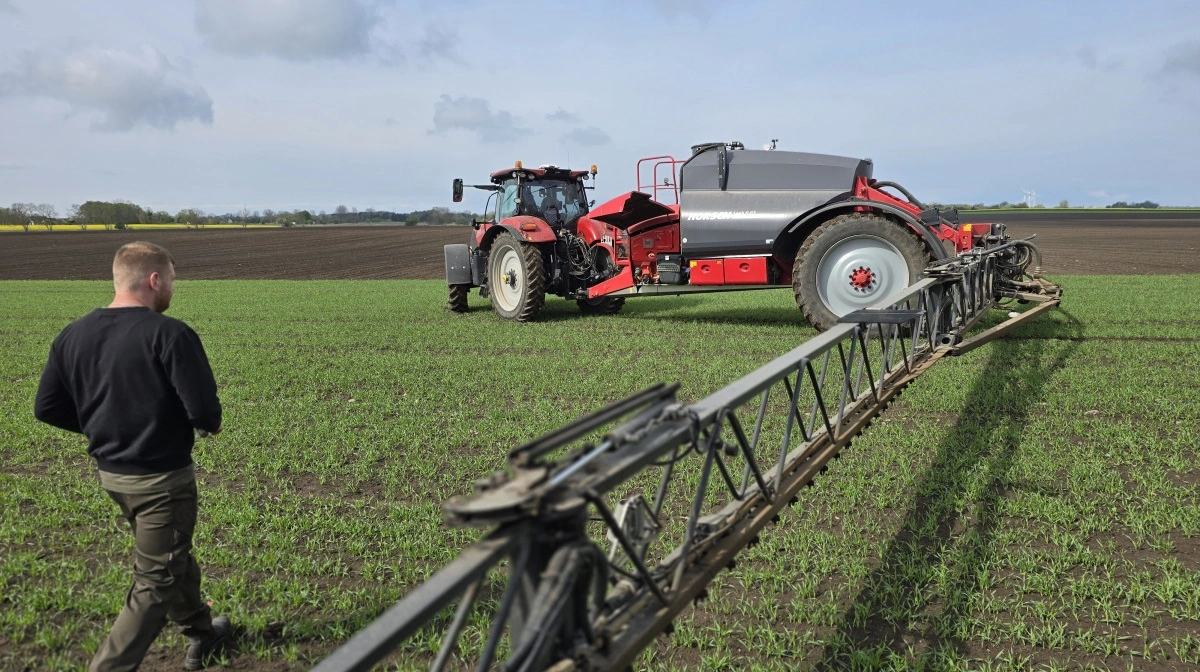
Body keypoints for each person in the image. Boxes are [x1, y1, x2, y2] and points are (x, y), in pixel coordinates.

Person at [34, 241, 232, 671]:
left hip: (113, 477)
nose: (173, 291)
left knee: (169, 552)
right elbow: (202, 410)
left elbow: (46, 408)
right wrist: (210, 424)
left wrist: (106, 428)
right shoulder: (170, 334)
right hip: (162, 481)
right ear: (154, 279)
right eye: (173, 281)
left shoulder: (73, 334)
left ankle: (203, 632)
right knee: (155, 582)